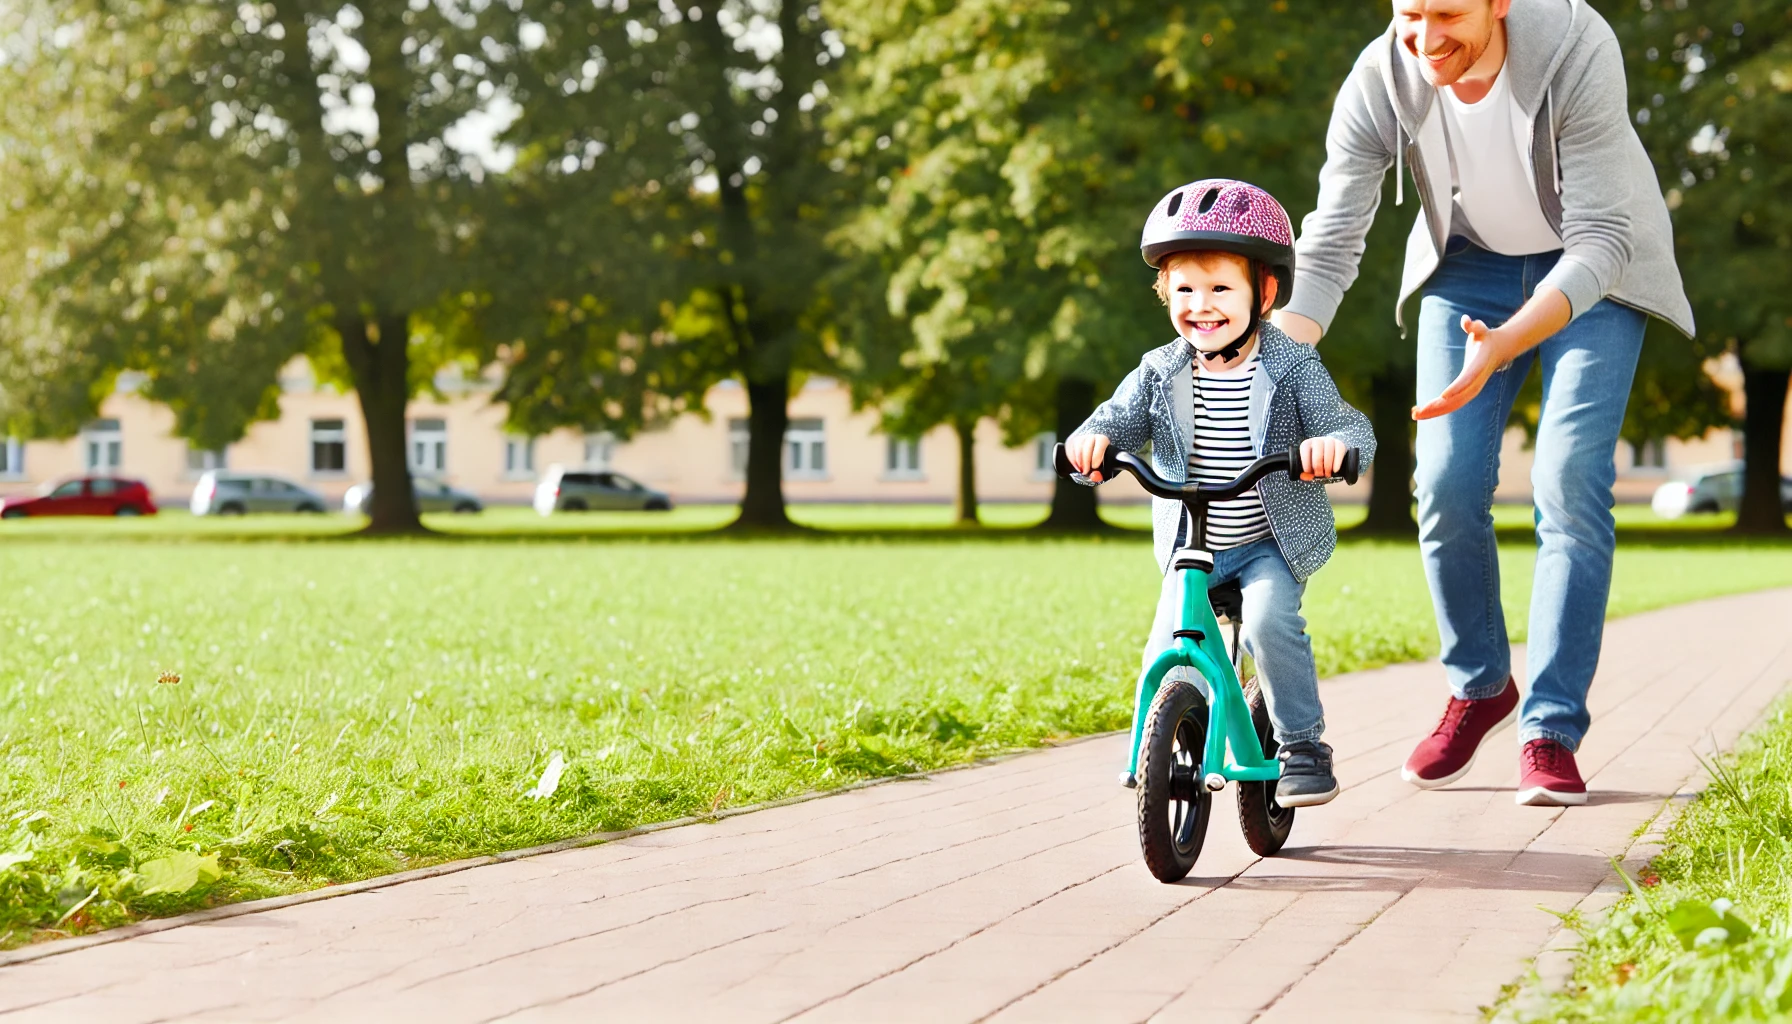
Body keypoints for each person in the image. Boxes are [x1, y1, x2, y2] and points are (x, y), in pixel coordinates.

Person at [1271, 0, 1693, 806]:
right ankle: (1480, 686)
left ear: (1501, 1)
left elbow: (1605, 235)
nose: (1427, 40)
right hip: (1467, 269)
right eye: (1410, 15)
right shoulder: (1381, 77)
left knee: (1568, 480)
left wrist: (1510, 340)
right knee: (1446, 480)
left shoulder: (1575, 44)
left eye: (1449, 15)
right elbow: (1331, 240)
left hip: (1593, 276)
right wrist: (1268, 363)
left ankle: (1551, 727)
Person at [1065, 179, 1376, 808]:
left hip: (1269, 542)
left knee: (1266, 622)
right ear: (1164, 294)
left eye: (1219, 288)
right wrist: (1090, 442)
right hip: (1191, 547)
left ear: (1263, 292)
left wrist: (1335, 449)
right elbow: (1114, 419)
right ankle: (1157, 748)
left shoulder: (1290, 364)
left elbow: (1349, 424)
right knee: (1165, 649)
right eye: (1184, 289)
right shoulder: (1160, 370)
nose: (1200, 305)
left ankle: (1303, 745)